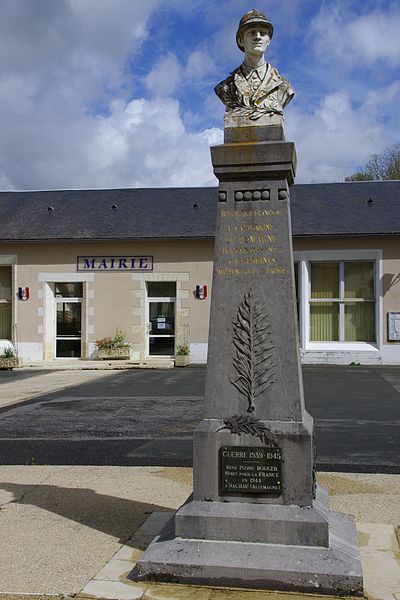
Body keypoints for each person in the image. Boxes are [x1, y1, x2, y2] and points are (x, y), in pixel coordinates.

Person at [215, 9, 294, 127]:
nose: (258, 37)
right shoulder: (226, 88)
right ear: (241, 40)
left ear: (269, 40)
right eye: (252, 33)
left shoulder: (283, 86)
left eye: (262, 33)